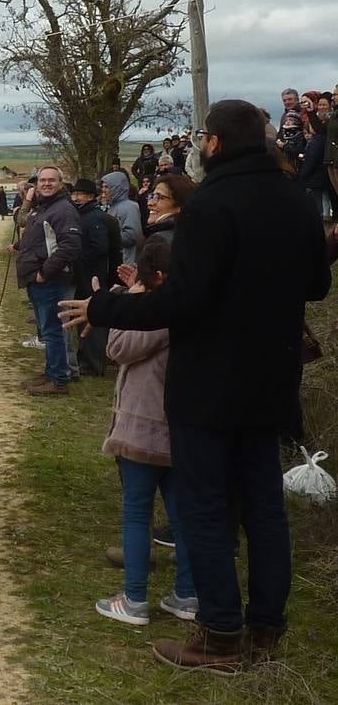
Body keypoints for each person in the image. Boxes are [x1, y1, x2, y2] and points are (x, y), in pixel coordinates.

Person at [60, 99, 331, 672]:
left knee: (205, 510)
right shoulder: (295, 199)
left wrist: (105, 307)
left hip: (208, 384)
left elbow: (183, 302)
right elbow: (315, 285)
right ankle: (265, 630)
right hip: (271, 378)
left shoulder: (211, 204)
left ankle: (220, 637)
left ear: (212, 145)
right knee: (264, 509)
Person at [94, 235, 198, 627]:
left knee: (136, 513)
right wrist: (129, 292)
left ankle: (135, 599)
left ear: (153, 275)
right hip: (181, 428)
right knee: (182, 514)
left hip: (143, 427)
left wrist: (132, 297)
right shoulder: (194, 303)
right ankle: (187, 594)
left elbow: (118, 346)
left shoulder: (159, 312)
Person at [9, 166, 82, 395]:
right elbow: (37, 239)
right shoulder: (43, 208)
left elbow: (70, 246)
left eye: (52, 180)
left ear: (60, 184)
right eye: (43, 180)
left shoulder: (63, 210)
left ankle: (59, 380)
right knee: (48, 330)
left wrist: (45, 272)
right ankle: (51, 373)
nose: (46, 184)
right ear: (37, 184)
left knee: (52, 331)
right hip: (37, 279)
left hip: (49, 280)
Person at [68, 178, 110, 377]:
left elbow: (100, 248)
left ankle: (94, 363)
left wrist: (78, 258)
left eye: (80, 194)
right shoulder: (83, 214)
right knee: (82, 319)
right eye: (74, 194)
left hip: (92, 276)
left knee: (92, 320)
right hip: (84, 274)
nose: (75, 198)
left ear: (91, 196)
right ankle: (85, 359)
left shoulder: (94, 217)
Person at [298, 95, 332, 220]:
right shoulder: (319, 131)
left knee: (321, 209)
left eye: (325, 104)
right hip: (322, 172)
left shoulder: (322, 134)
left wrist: (302, 175)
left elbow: (320, 131)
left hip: (320, 173)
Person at [101, 170, 141, 265]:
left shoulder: (129, 207)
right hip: (116, 259)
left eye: (107, 187)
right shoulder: (113, 207)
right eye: (102, 187)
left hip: (126, 260)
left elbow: (132, 235)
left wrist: (105, 238)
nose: (103, 190)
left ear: (117, 187)